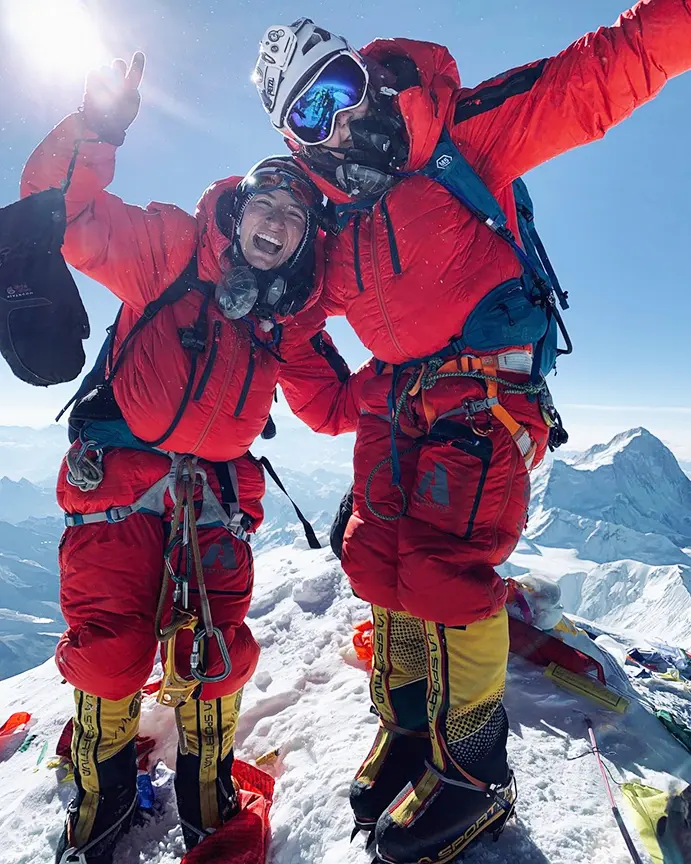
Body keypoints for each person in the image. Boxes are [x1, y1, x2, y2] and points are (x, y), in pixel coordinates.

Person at [253, 8, 691, 863]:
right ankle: (410, 732)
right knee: (373, 556)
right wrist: (338, 400)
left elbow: (597, 74)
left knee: (444, 572)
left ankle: (476, 772)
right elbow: (288, 324)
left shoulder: (452, 138)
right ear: (293, 138)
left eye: (339, 89)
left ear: (364, 75)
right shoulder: (327, 230)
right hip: (396, 406)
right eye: (311, 112)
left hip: (485, 395)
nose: (339, 121)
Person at [21, 52, 371, 864]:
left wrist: (423, 371)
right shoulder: (171, 249)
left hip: (213, 497)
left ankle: (206, 799)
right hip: (119, 483)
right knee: (111, 652)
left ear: (302, 241)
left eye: (296, 216)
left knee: (216, 656)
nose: (279, 223)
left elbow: (332, 406)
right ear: (240, 207)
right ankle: (101, 800)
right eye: (268, 204)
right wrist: (99, 126)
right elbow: (63, 212)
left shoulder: (287, 318)